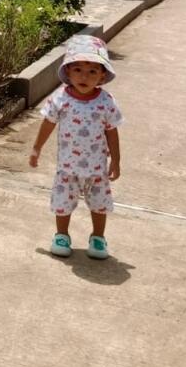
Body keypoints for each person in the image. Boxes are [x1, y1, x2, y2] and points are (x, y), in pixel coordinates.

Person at [28, 35, 122, 259]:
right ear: (68, 72)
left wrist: (116, 160)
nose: (84, 76)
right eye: (78, 69)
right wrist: (36, 148)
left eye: (92, 71)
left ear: (101, 76)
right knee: (63, 202)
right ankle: (61, 235)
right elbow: (48, 123)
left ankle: (98, 238)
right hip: (67, 167)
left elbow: (112, 131)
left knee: (99, 204)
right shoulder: (60, 99)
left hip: (97, 168)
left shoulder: (106, 102)